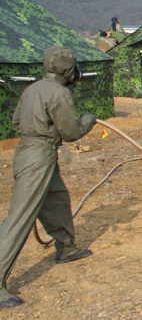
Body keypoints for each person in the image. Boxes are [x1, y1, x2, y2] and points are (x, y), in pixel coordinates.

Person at [0, 47, 97, 308]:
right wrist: (88, 120)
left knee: (57, 198)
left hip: (29, 150)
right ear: (67, 69)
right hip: (38, 155)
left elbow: (16, 123)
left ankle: (66, 248)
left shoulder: (31, 89)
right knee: (19, 218)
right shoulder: (59, 93)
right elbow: (72, 132)